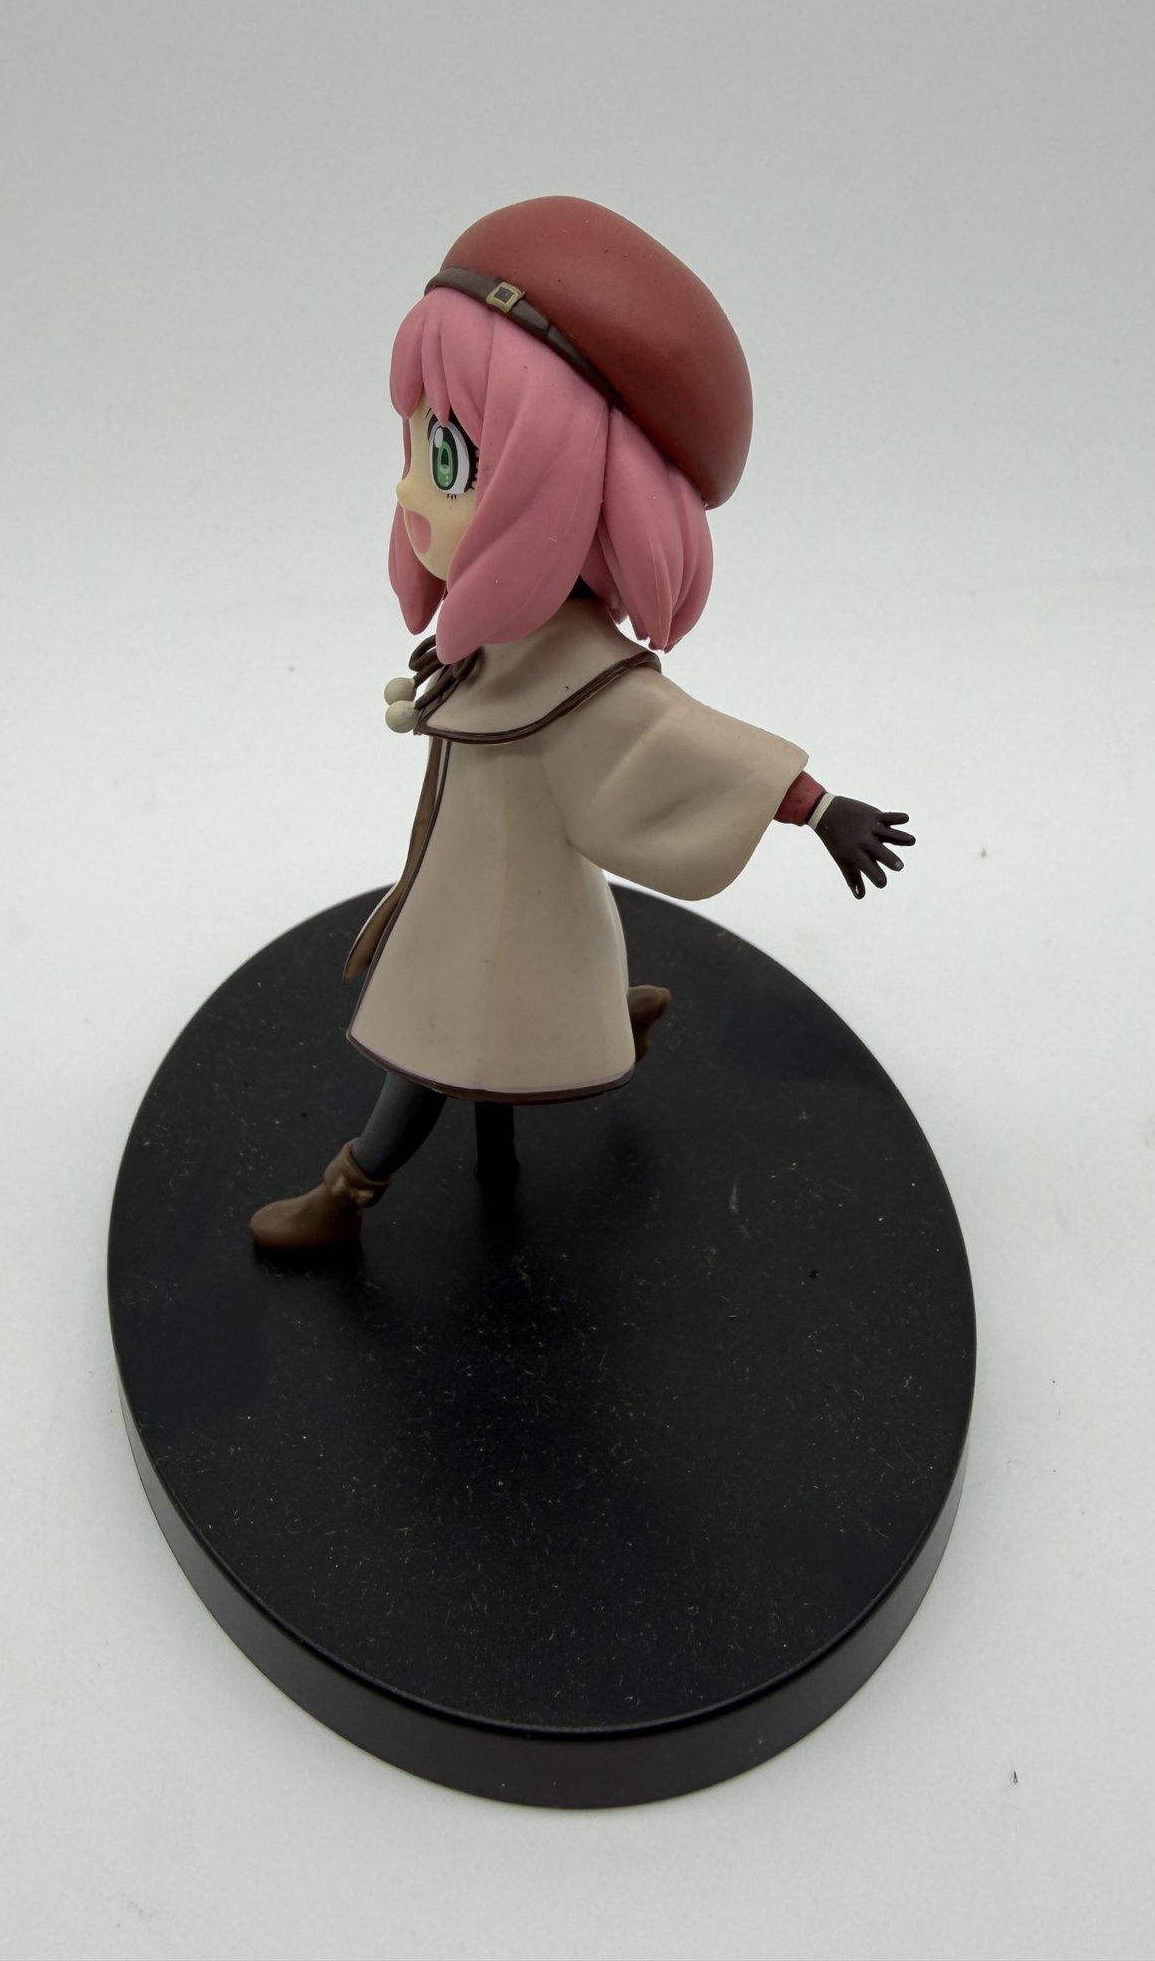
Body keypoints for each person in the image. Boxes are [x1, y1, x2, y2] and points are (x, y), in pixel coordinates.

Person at [249, 197, 912, 1254]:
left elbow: (682, 744)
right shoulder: (504, 634)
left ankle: (347, 1195)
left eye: (451, 457)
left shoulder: (584, 675)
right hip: (483, 895)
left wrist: (817, 806)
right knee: (494, 1016)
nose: (411, 486)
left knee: (429, 1050)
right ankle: (597, 1019)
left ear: (560, 484)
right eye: (419, 438)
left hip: (489, 923)